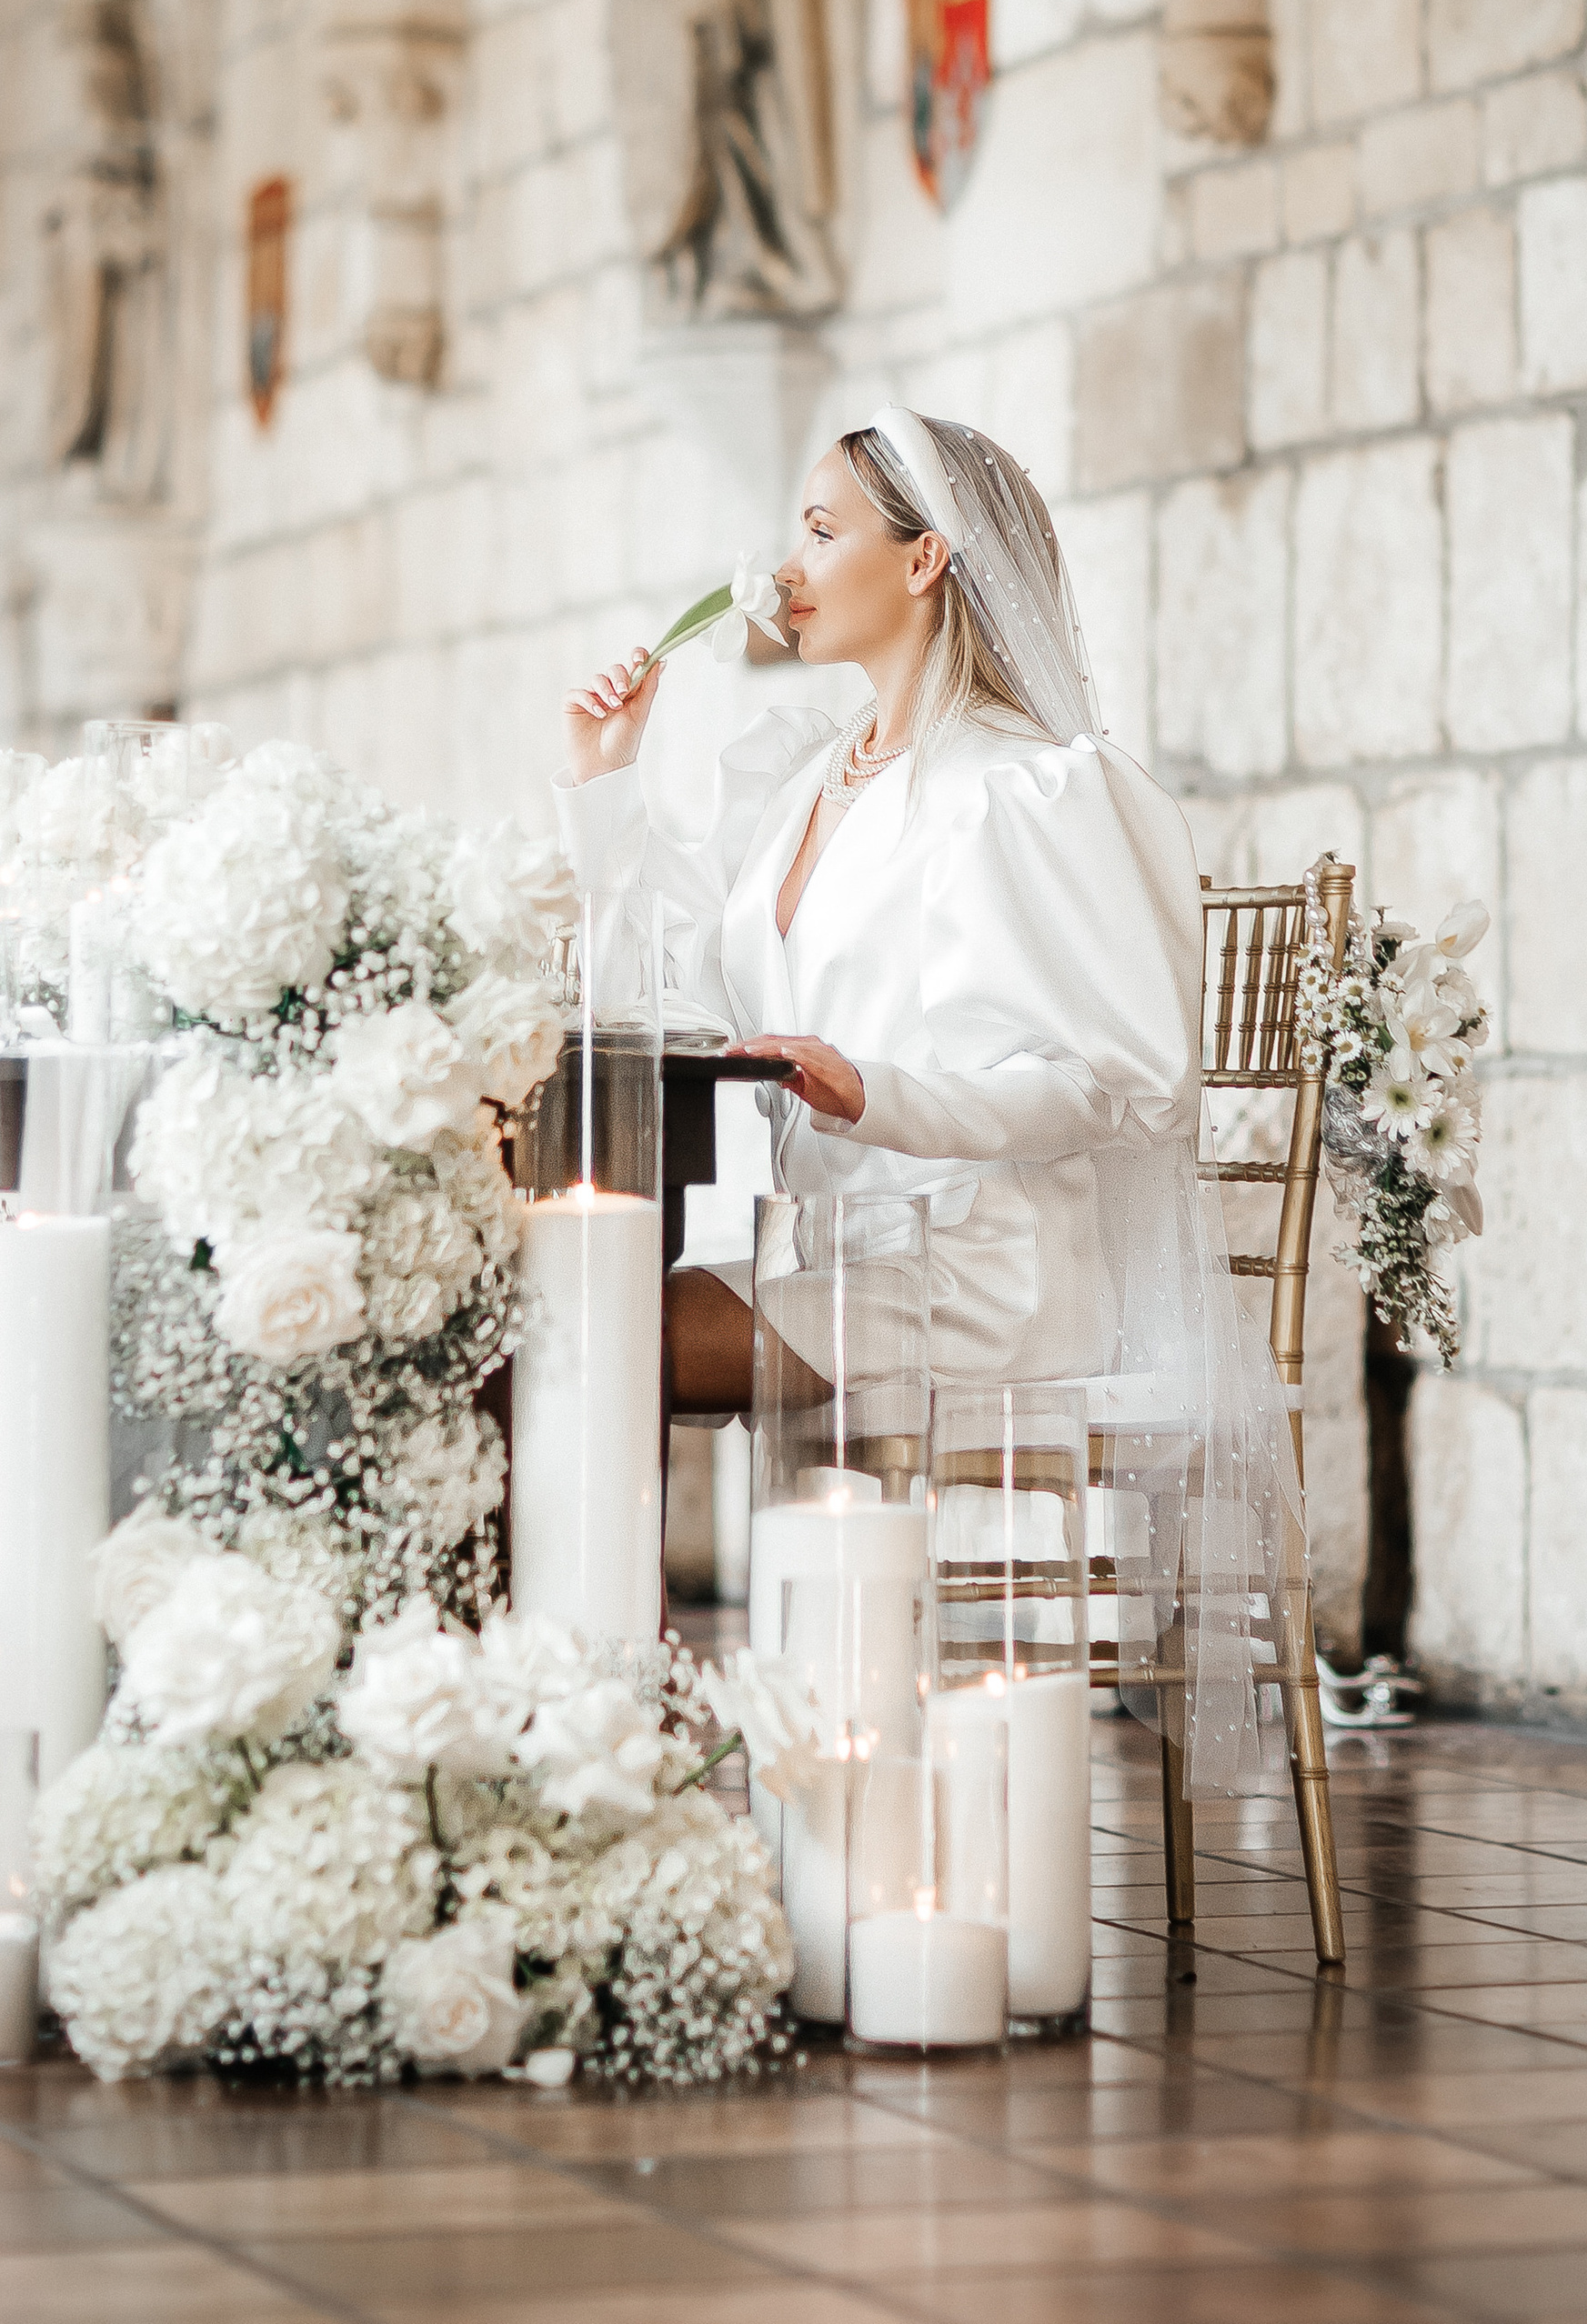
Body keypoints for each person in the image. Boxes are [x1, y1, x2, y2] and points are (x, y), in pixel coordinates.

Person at [557, 407, 1304, 1791]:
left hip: (980, 1264)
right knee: (566, 1312)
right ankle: (609, 1710)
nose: (787, 564)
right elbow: (682, 982)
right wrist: (611, 781)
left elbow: (1127, 1082)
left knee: (600, 1336)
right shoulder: (805, 784)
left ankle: (619, 1719)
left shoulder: (1031, 791)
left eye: (825, 530)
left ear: (924, 561)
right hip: (837, 1256)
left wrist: (880, 1093)